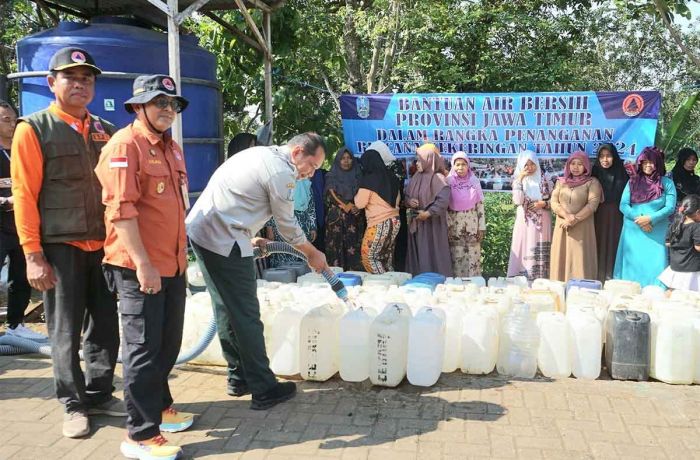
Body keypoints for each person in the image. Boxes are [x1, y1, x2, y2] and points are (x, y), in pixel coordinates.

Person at [10, 47, 123, 438]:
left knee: (106, 327)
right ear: (51, 82)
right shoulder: (34, 129)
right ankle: (73, 404)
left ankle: (99, 393)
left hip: (103, 246)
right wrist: (32, 255)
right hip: (59, 248)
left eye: (87, 78)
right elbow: (24, 195)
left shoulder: (104, 129)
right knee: (64, 330)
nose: (79, 84)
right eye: (70, 77)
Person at [186, 132, 329, 409]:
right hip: (223, 238)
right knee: (246, 313)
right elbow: (288, 226)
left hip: (206, 232)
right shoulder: (281, 171)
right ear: (298, 152)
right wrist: (313, 254)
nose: (310, 174)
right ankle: (263, 388)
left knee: (226, 307)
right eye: (311, 166)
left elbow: (240, 198)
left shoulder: (262, 155)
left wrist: (248, 233)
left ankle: (238, 378)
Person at [95, 75, 195, 459]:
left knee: (167, 343)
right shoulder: (125, 145)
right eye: (159, 103)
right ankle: (139, 434)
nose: (167, 110)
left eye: (172, 104)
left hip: (172, 264)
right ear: (138, 106)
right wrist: (143, 265)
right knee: (141, 349)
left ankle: (160, 407)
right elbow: (121, 212)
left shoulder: (172, 148)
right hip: (139, 268)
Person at [0, 100, 37, 339]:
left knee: (21, 277)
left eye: (13, 118)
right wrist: (6, 201)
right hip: (1, 224)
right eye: (5, 120)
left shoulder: (22, 148)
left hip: (21, 225)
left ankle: (16, 325)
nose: (12, 123)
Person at [614, 147, 677, 287]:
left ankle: (654, 294)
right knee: (632, 264)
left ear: (658, 163)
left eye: (652, 162)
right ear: (640, 163)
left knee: (654, 262)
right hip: (633, 229)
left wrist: (650, 219)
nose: (648, 165)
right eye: (645, 162)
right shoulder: (632, 182)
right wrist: (641, 220)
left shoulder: (667, 183)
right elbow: (623, 205)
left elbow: (670, 208)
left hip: (656, 229)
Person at [549, 151, 602, 281]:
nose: (576, 167)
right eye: (573, 163)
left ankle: (581, 292)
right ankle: (559, 289)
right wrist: (567, 216)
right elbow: (554, 202)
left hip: (582, 228)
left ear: (586, 166)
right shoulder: (561, 182)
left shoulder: (592, 182)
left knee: (579, 259)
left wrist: (575, 219)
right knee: (560, 257)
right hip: (562, 227)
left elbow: (592, 204)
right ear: (568, 165)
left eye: (580, 164)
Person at [405, 143, 452, 276]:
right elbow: (407, 196)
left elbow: (443, 201)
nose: (417, 163)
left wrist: (428, 213)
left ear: (429, 160)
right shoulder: (416, 177)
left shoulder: (439, 179)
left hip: (433, 226)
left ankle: (436, 283)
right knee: (419, 255)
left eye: (420, 160)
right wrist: (409, 201)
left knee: (432, 253)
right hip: (417, 224)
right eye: (417, 160)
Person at [507, 150, 552, 280]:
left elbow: (554, 200)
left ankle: (539, 280)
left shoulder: (546, 179)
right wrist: (520, 178)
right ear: (521, 165)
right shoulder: (518, 181)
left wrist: (543, 204)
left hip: (543, 219)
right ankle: (521, 279)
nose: (530, 168)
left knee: (539, 248)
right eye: (526, 164)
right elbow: (517, 201)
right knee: (524, 246)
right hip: (525, 220)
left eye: (533, 164)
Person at [354, 147, 401, 273]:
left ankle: (382, 285)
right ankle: (393, 284)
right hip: (395, 221)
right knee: (386, 257)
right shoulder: (392, 177)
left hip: (378, 223)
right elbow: (397, 200)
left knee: (369, 257)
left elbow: (359, 204)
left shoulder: (368, 180)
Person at [591, 143, 629, 282]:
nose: (605, 160)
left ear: (614, 157)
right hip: (596, 215)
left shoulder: (622, 174)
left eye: (608, 156)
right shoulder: (594, 173)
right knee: (597, 242)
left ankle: (612, 276)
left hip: (616, 215)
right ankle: (597, 275)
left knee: (614, 243)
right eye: (601, 156)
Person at [446, 151, 486, 277]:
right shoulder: (448, 181)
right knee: (457, 256)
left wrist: (482, 227)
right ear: (453, 165)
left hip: (472, 225)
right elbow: (444, 207)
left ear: (468, 165)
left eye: (463, 164)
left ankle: (474, 285)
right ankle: (457, 286)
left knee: (473, 257)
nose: (460, 167)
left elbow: (480, 206)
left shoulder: (474, 181)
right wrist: (447, 225)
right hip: (454, 226)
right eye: (457, 164)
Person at [324, 146, 364, 270]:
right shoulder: (332, 175)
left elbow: (363, 193)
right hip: (337, 219)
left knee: (354, 245)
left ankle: (355, 275)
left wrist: (358, 207)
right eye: (342, 158)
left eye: (349, 158)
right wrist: (349, 206)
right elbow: (332, 194)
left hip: (355, 217)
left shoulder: (358, 175)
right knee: (336, 247)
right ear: (338, 160)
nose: (346, 161)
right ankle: (337, 276)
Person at [267, 177, 317, 267]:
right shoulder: (280, 182)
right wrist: (269, 227)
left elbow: (311, 207)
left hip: (303, 226)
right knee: (283, 255)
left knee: (302, 257)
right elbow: (272, 205)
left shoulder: (305, 183)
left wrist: (313, 227)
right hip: (282, 225)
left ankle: (301, 280)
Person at [658, 195, 700, 290]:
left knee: (673, 291)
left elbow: (668, 243)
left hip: (675, 268)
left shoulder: (674, 225)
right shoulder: (696, 227)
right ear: (698, 212)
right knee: (691, 295)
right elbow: (698, 247)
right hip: (691, 269)